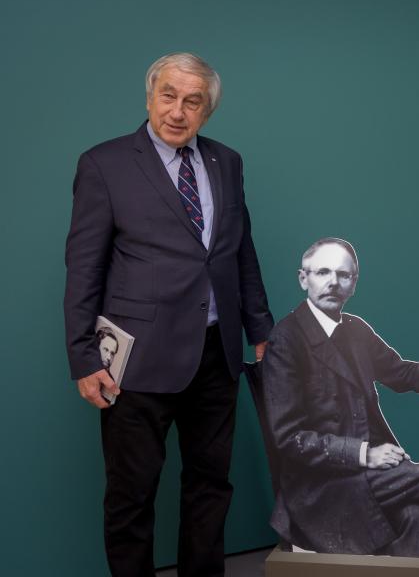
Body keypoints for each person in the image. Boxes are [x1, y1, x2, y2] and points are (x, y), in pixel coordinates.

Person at [64, 52, 274, 577]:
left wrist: (261, 329)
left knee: (210, 487)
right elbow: (83, 267)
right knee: (131, 495)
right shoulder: (104, 164)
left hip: (216, 353)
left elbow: (240, 252)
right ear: (150, 97)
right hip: (136, 361)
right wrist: (83, 356)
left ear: (207, 112)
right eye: (168, 96)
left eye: (193, 101)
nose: (178, 111)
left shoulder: (228, 162)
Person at [254, 237, 419, 559]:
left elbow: (402, 372)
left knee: (414, 517)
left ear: (353, 284)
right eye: (323, 273)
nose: (333, 282)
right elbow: (289, 438)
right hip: (320, 487)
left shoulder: (356, 330)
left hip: (366, 477)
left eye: (343, 275)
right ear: (304, 279)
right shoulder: (285, 341)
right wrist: (364, 455)